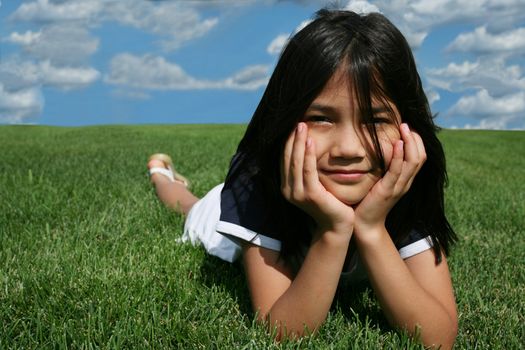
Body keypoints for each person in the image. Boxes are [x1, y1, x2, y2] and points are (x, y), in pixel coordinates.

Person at [147, 9, 458, 349]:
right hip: (233, 209)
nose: (349, 149)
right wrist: (334, 229)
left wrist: (370, 227)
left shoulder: (407, 180)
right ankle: (161, 172)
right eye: (321, 117)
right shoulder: (257, 180)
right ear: (285, 117)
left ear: (407, 127)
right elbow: (283, 333)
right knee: (190, 206)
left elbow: (436, 338)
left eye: (374, 120)